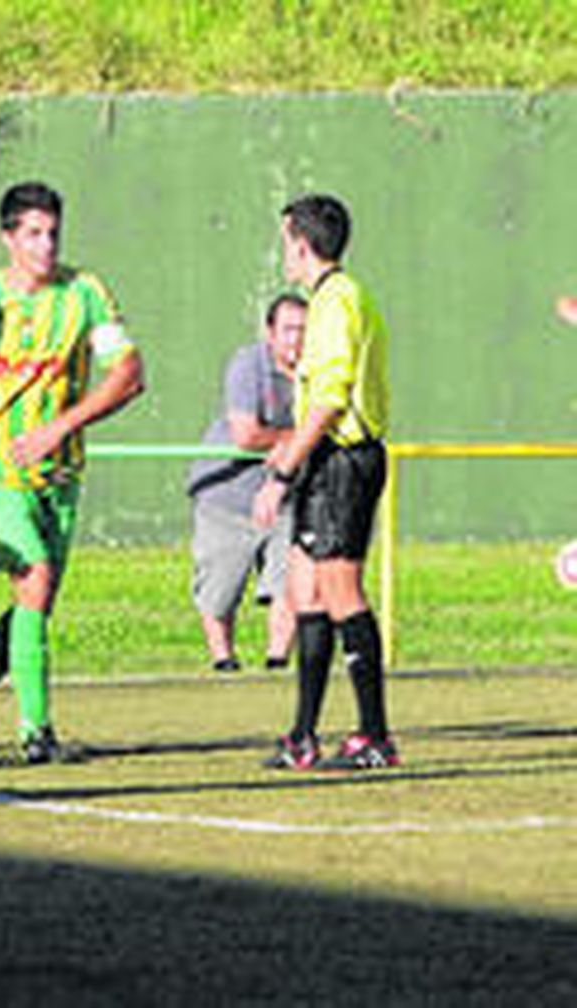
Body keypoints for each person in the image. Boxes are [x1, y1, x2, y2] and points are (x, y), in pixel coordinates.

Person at [0, 182, 145, 763]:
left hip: (63, 471)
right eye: (32, 233)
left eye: (53, 232)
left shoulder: (86, 293)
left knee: (37, 602)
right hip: (0, 469)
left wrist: (60, 427)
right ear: (7, 238)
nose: (46, 244)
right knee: (35, 580)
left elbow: (128, 372)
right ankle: (36, 731)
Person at [253, 193, 396, 771]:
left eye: (288, 240)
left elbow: (333, 401)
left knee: (341, 593)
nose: (285, 250)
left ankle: (375, 737)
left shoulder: (337, 300)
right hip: (327, 463)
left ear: (304, 244)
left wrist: (285, 467)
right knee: (305, 593)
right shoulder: (331, 299)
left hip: (344, 461)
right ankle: (303, 737)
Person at [186, 294, 306, 673]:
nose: (296, 340)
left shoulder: (321, 370)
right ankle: (224, 663)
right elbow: (245, 434)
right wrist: (293, 438)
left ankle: (276, 665)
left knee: (289, 585)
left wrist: (292, 447)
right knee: (218, 594)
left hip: (286, 496)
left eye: (304, 330)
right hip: (227, 495)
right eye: (288, 330)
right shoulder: (248, 363)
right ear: (270, 333)